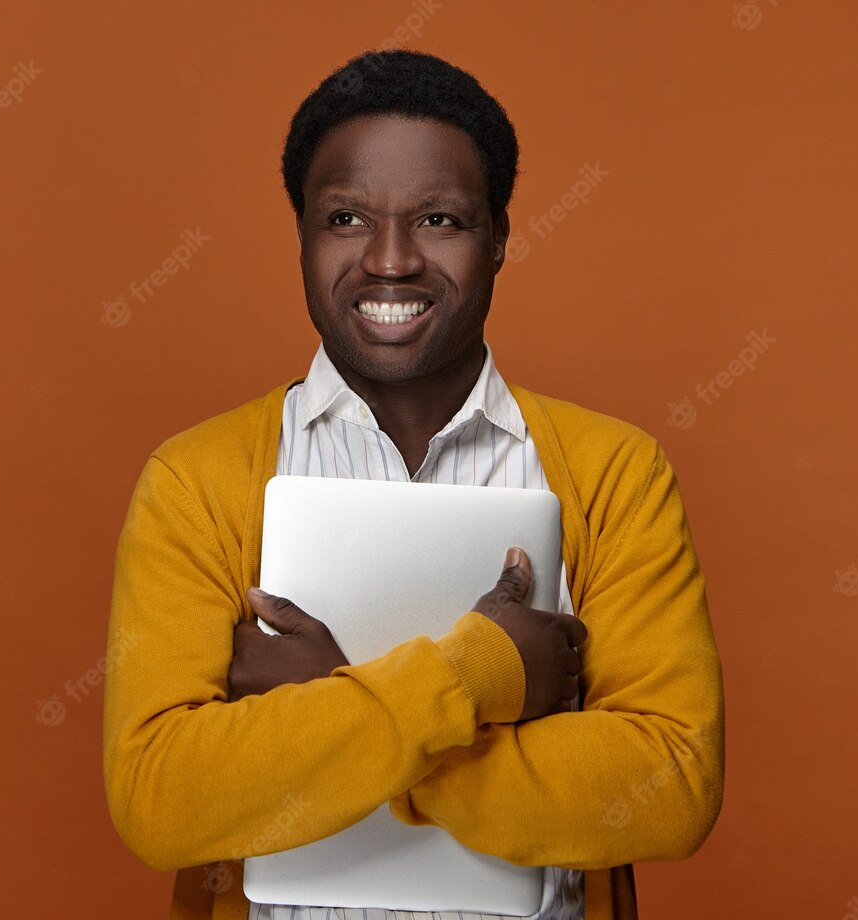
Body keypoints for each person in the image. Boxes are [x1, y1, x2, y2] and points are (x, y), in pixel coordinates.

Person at [103, 48, 724, 920]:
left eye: (439, 219)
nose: (390, 261)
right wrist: (480, 676)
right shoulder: (196, 481)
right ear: (305, 236)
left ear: (501, 236)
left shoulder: (616, 473)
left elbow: (671, 786)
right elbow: (162, 800)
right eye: (348, 218)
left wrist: (338, 712)